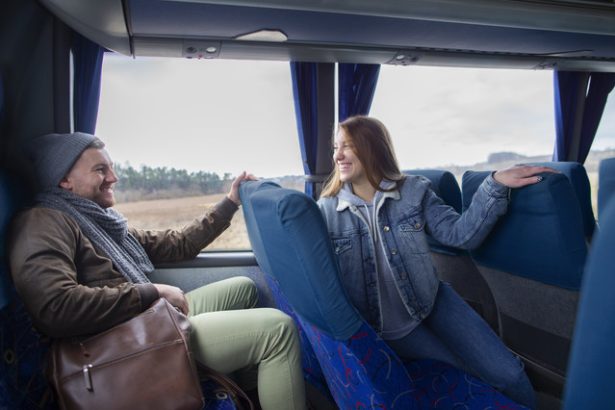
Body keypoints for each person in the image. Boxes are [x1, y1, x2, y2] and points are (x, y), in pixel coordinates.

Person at [8, 132, 306, 410]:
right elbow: (56, 307)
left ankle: (251, 394)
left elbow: (177, 244)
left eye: (111, 168)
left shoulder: (100, 223)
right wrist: (150, 293)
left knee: (243, 287)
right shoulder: (42, 222)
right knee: (277, 330)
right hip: (116, 346)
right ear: (64, 180)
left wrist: (229, 203)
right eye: (100, 170)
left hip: (139, 321)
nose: (113, 177)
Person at [317, 116, 555, 409]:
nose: (337, 156)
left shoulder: (413, 191)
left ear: (372, 148)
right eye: (335, 147)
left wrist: (493, 185)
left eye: (348, 146)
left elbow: (460, 234)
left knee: (509, 374)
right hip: (386, 328)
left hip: (431, 300)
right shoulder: (325, 210)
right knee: (466, 378)